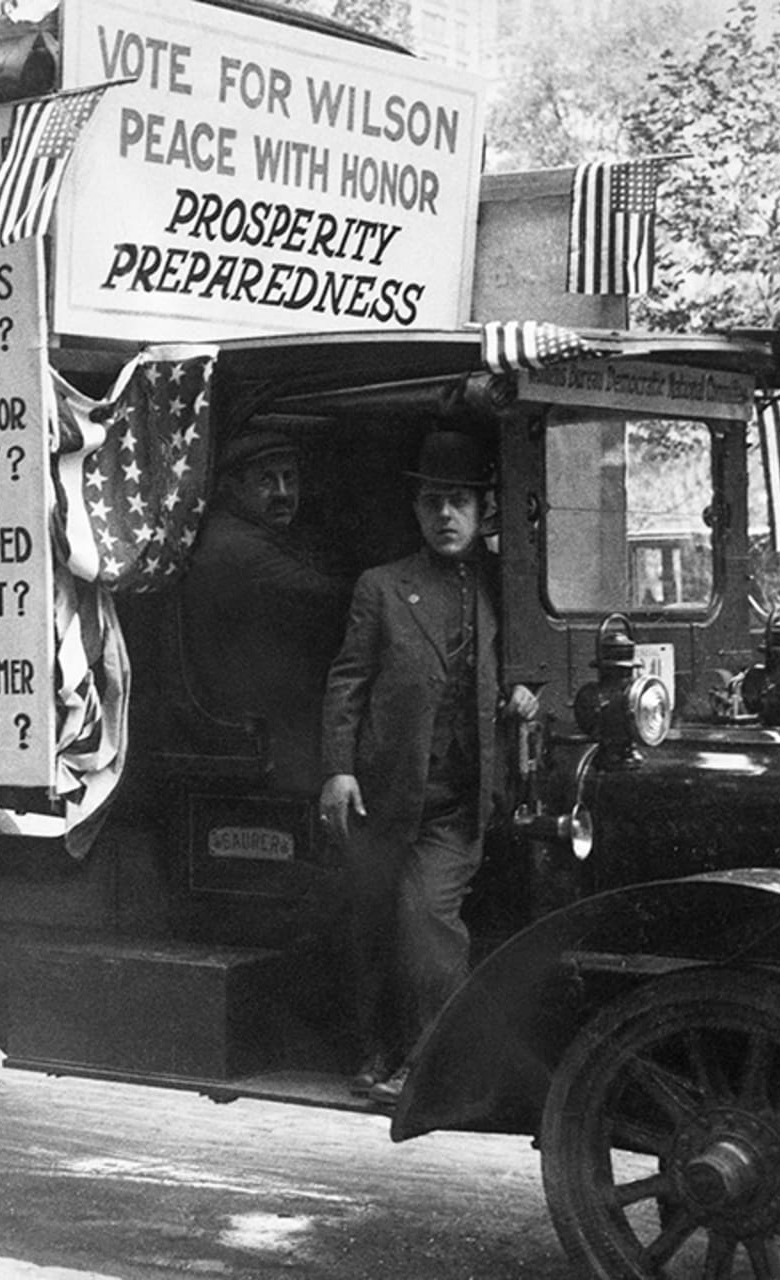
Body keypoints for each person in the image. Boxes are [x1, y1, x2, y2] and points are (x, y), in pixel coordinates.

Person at [319, 430, 538, 1105]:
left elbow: (536, 661)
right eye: (434, 502)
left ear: (483, 512)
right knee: (373, 928)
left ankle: (436, 1066)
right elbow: (348, 681)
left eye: (461, 503)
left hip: (461, 800)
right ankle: (376, 1052)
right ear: (417, 511)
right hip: (385, 794)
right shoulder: (382, 588)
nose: (447, 516)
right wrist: (338, 769)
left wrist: (531, 692)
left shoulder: (510, 586)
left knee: (426, 921)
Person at [181, 429, 352, 794]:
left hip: (258, 733)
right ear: (234, 487)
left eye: (289, 478)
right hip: (261, 740)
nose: (283, 493)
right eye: (266, 480)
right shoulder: (240, 547)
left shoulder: (249, 534)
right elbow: (335, 597)